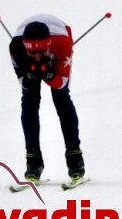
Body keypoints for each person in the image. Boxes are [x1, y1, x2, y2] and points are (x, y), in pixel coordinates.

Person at [8, 14, 86, 181]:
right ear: (26, 48)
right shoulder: (16, 47)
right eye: (32, 53)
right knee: (29, 100)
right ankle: (33, 161)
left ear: (49, 46)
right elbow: (24, 84)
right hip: (24, 40)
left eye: (42, 52)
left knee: (61, 98)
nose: (37, 56)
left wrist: (50, 76)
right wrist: (29, 77)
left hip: (61, 35)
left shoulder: (63, 44)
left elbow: (61, 83)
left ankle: (75, 160)